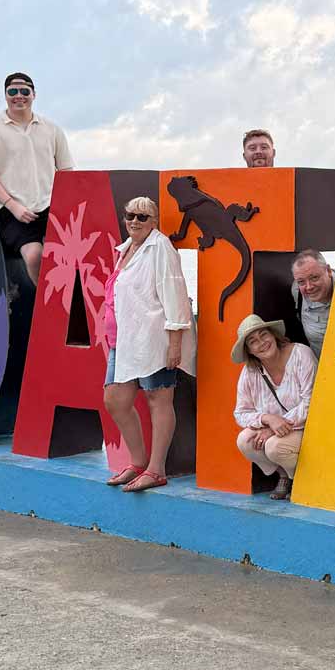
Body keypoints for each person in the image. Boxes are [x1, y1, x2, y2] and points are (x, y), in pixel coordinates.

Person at [102, 196, 194, 493]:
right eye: (130, 215)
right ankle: (138, 462)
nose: (134, 221)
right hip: (126, 340)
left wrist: (175, 343)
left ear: (154, 221)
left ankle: (157, 469)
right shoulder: (126, 249)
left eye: (143, 217)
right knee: (115, 399)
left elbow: (175, 292)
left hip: (154, 337)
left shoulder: (160, 247)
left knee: (158, 399)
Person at [0, 71, 73, 284]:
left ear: (34, 94)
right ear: (6, 95)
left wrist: (64, 206)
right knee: (35, 255)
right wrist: (13, 206)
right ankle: (44, 304)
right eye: (13, 91)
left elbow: (66, 171)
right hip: (12, 212)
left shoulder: (52, 129)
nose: (19, 96)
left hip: (50, 207)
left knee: (73, 252)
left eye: (24, 91)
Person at [231, 314, 317, 501]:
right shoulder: (250, 371)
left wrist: (274, 428)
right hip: (278, 430)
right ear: (249, 351)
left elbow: (312, 402)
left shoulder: (301, 354)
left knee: (274, 447)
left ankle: (306, 481)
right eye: (253, 341)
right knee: (244, 440)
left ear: (274, 335)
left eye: (264, 335)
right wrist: (267, 419)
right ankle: (285, 475)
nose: (261, 343)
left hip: (308, 426)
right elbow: (241, 412)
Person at [290, 249, 335, 359]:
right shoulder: (296, 291)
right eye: (301, 282)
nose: (309, 286)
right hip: (321, 368)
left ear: (328, 271)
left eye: (314, 278)